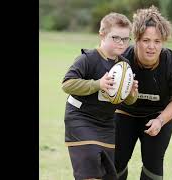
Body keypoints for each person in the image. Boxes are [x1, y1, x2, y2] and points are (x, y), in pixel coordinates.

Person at [114, 6, 172, 180]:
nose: (151, 47)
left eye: (157, 41)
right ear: (136, 39)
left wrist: (160, 121)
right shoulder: (120, 60)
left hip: (158, 116)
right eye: (146, 40)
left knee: (153, 165)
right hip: (125, 113)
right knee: (116, 162)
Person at [62, 12, 138, 180]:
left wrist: (131, 92)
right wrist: (98, 84)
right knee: (89, 167)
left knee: (105, 174)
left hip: (106, 123)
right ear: (102, 35)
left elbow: (126, 100)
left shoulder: (124, 64)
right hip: (80, 118)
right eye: (115, 37)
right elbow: (67, 84)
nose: (121, 43)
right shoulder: (87, 59)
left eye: (125, 39)